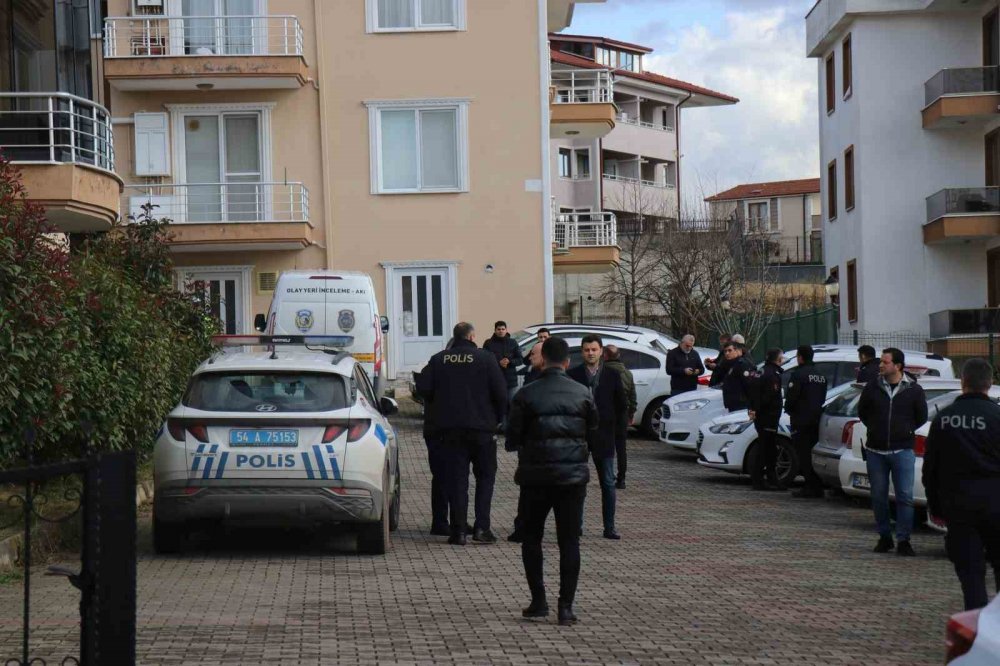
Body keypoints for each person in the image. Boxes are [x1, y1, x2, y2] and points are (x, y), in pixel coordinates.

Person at [506, 337, 598, 626]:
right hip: (572, 479)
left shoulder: (526, 394)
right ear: (568, 362)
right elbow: (592, 431)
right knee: (569, 542)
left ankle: (538, 601)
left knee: (532, 539)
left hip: (536, 478)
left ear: (542, 359)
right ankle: (566, 607)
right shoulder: (583, 392)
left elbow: (512, 438)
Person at [418, 322, 507, 545]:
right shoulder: (486, 358)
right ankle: (481, 527)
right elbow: (501, 394)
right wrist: (496, 420)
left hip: (450, 430)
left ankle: (457, 531)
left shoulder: (439, 359)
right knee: (485, 478)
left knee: (457, 480)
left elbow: (424, 389)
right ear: (472, 336)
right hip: (482, 430)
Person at [924, 359, 1000, 609]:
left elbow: (930, 470)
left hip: (958, 507)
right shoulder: (997, 417)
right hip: (996, 506)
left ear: (963, 382)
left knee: (971, 575)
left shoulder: (943, 419)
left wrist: (936, 509)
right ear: (989, 384)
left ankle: (977, 629)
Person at [857, 348, 928, 556]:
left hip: (902, 449)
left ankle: (904, 539)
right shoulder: (873, 387)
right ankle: (885, 536)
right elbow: (863, 412)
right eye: (881, 362)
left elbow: (921, 416)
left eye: (885, 362)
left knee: (904, 496)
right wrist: (875, 428)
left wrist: (905, 429)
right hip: (876, 451)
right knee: (878, 496)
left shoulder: (913, 390)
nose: (881, 365)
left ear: (897, 366)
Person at [568, 334, 627, 539]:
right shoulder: (573, 374)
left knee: (608, 483)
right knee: (577, 483)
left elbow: (621, 406)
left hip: (605, 436)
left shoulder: (612, 375)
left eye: (594, 349)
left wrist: (618, 433)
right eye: (586, 350)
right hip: (580, 437)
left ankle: (609, 527)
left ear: (601, 351)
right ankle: (576, 525)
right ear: (582, 352)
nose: (590, 353)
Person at [508, 340, 546, 544]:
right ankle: (522, 526)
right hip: (530, 447)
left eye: (534, 354)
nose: (530, 357)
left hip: (541, 448)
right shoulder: (532, 374)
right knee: (527, 491)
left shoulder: (542, 381)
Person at [783, 345, 829, 498]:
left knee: (803, 454)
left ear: (800, 357)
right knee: (812, 453)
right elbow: (822, 397)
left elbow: (791, 398)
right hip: (816, 419)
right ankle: (816, 485)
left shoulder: (798, 375)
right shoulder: (821, 375)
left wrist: (789, 410)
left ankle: (810, 486)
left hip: (801, 420)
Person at [748, 348, 784, 491]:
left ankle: (768, 478)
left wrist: (753, 409)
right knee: (766, 448)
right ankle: (760, 480)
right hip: (768, 416)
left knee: (768, 448)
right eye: (781, 357)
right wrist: (762, 410)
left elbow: (752, 391)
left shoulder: (761, 371)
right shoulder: (772, 374)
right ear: (778, 359)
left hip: (762, 416)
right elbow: (769, 397)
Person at [603, 345, 636, 489]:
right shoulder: (627, 373)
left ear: (605, 356)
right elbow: (632, 395)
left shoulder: (602, 372)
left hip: (606, 412)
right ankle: (621, 478)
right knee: (621, 447)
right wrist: (631, 413)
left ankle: (607, 475)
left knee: (606, 445)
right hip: (622, 413)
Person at [483, 320, 524, 408]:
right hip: (495, 380)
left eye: (503, 329)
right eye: (498, 329)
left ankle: (511, 422)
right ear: (495, 330)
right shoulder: (488, 343)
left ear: (506, 330)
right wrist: (498, 363)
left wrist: (509, 361)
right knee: (497, 406)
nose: (501, 331)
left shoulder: (512, 342)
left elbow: (520, 359)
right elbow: (485, 360)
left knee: (512, 406)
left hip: (511, 381)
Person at [720, 342, 756, 413]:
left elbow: (749, 385)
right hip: (735, 403)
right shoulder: (733, 364)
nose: (727, 353)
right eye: (725, 351)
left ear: (737, 351)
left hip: (741, 404)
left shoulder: (742, 364)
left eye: (730, 350)